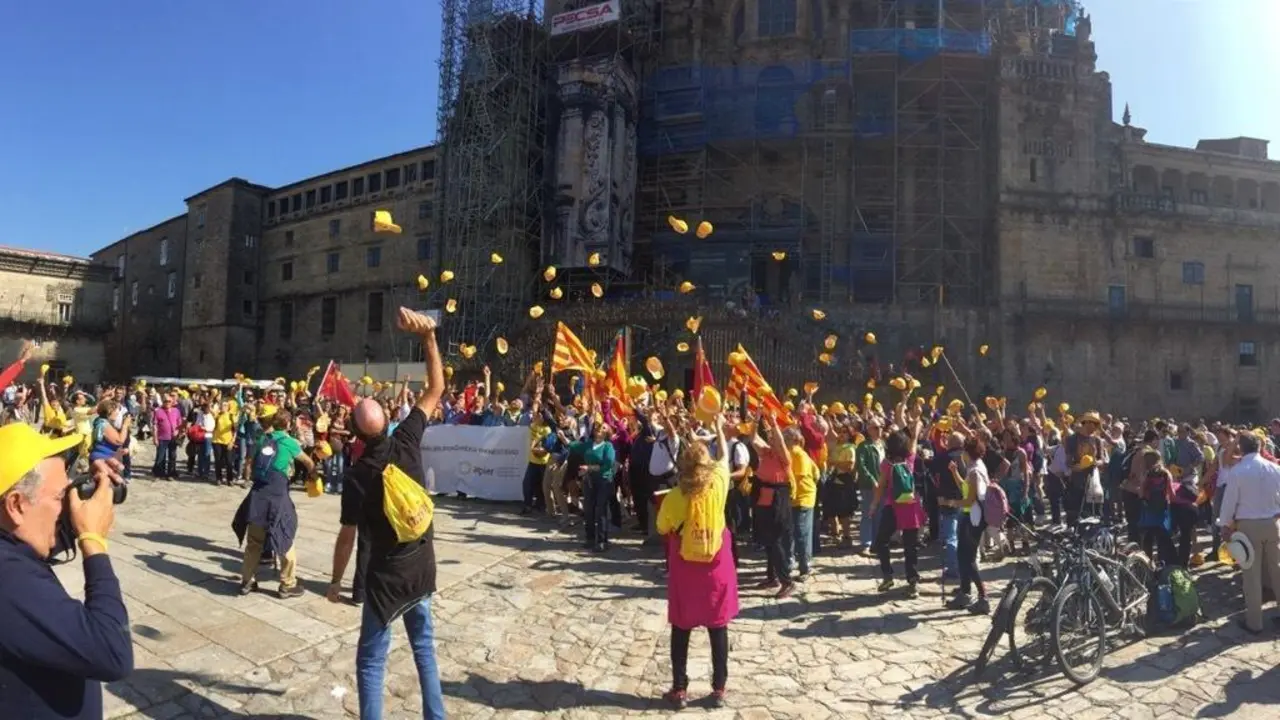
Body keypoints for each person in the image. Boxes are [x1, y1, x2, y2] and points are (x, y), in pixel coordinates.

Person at [326, 307, 446, 719]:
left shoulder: (358, 476)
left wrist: (336, 582)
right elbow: (436, 387)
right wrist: (428, 337)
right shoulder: (407, 440)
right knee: (424, 649)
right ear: (389, 420)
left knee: (372, 662)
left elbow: (347, 536)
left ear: (356, 436)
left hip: (385, 579)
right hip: (422, 565)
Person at [0, 423, 133, 718]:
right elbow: (113, 653)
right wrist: (93, 542)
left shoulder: (10, 547)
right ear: (16, 504)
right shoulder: (9, 579)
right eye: (61, 497)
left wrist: (91, 486)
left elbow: (36, 535)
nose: (66, 507)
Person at [656, 416, 737, 709]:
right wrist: (717, 427)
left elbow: (663, 528)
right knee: (718, 626)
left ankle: (679, 690)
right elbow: (725, 456)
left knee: (681, 627)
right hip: (716, 566)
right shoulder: (718, 483)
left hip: (686, 568)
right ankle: (719, 689)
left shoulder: (676, 496)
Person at [232, 408, 315, 598]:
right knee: (284, 536)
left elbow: (250, 461)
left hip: (258, 495)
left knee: (254, 541)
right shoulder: (289, 442)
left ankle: (247, 581)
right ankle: (287, 584)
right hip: (277, 496)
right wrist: (313, 475)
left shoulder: (262, 439)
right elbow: (308, 462)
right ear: (287, 424)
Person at [1217, 432, 1280, 635]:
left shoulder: (1238, 471)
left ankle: (1255, 622)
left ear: (1241, 449)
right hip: (1272, 523)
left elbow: (1229, 502)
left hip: (1248, 526)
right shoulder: (1274, 468)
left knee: (1251, 575)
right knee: (1277, 571)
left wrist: (1225, 526)